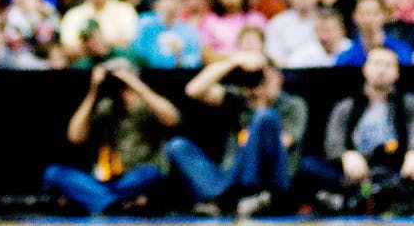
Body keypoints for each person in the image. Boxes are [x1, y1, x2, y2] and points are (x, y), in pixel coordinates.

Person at [165, 50, 308, 216]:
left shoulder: (293, 105)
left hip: (270, 180)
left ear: (277, 78)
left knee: (264, 117)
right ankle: (228, 198)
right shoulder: (239, 99)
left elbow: (282, 144)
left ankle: (242, 195)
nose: (255, 87)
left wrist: (260, 107)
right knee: (177, 146)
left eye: (261, 80)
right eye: (252, 81)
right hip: (231, 178)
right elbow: (193, 90)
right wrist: (233, 62)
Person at [42, 58, 180, 215]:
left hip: (137, 177)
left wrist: (136, 85)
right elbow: (75, 136)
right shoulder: (107, 107)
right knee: (54, 173)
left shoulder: (148, 105)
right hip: (106, 179)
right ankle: (114, 203)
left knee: (152, 173)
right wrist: (93, 90)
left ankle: (99, 201)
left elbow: (172, 119)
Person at [303, 46, 414, 215]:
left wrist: (412, 154)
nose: (382, 70)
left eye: (388, 65)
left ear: (397, 73)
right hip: (355, 175)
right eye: (377, 63)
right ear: (365, 69)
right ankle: (348, 200)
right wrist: (345, 155)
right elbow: (332, 142)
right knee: (308, 165)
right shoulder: (347, 105)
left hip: (396, 171)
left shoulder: (407, 103)